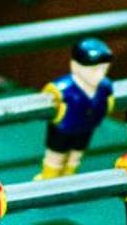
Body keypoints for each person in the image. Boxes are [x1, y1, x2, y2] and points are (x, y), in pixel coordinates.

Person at [38, 38, 115, 178]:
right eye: (94, 69)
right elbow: (44, 109)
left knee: (76, 156)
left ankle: (69, 176)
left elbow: (108, 103)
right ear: (75, 66)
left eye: (104, 68)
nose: (100, 74)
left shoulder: (105, 87)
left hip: (86, 129)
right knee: (55, 157)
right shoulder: (61, 89)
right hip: (62, 131)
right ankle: (48, 178)